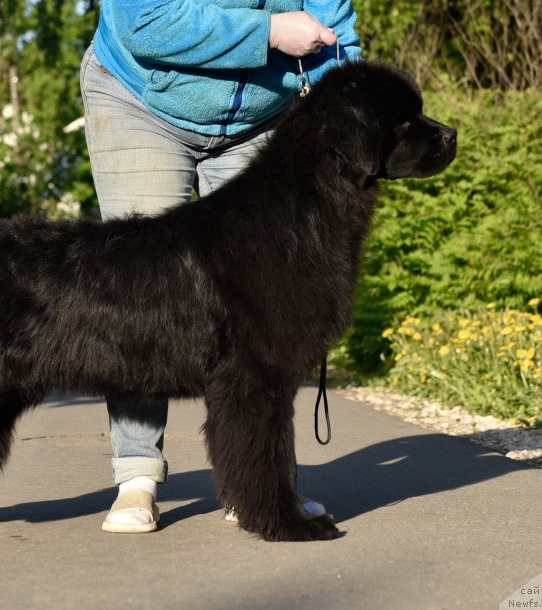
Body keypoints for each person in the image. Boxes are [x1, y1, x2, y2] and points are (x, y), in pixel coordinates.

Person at [80, 0, 362, 532]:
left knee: (265, 326)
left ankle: (257, 488)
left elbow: (338, 35)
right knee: (143, 296)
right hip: (141, 97)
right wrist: (272, 30)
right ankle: (136, 475)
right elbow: (145, 23)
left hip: (258, 115)